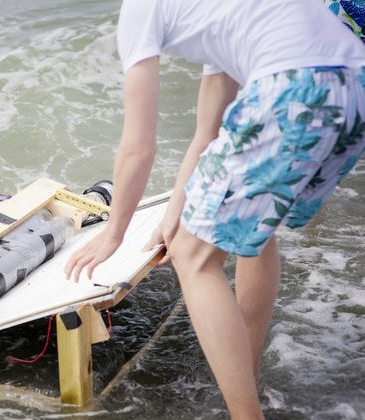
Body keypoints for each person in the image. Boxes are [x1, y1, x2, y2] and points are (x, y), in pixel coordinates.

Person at [65, 0, 365, 418]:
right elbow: (207, 132)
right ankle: (248, 373)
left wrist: (114, 233)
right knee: (253, 231)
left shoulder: (141, 9)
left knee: (193, 256)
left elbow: (138, 146)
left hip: (292, 86)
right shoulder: (220, 13)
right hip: (352, 89)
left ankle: (245, 414)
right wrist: (175, 215)